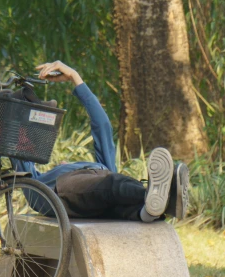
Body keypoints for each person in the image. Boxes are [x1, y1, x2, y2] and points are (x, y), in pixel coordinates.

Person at [10, 60, 190, 222]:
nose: (65, 163)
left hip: (93, 194)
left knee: (118, 202)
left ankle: (150, 211)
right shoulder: (40, 185)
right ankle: (160, 197)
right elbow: (19, 153)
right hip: (58, 193)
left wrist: (75, 77)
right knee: (112, 184)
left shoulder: (100, 169)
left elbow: (103, 126)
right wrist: (12, 119)